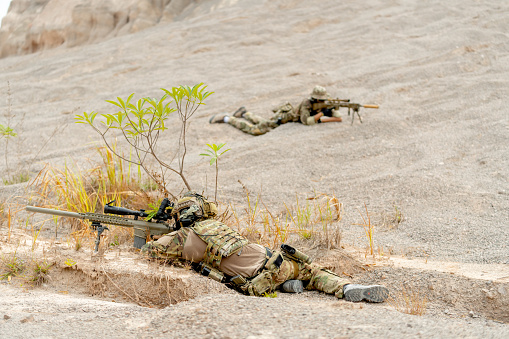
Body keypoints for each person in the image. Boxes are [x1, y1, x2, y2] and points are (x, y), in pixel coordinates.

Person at [141, 192, 389, 302]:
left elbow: (147, 253)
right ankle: (347, 288)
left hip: (256, 283)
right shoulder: (216, 226)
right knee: (312, 271)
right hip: (275, 262)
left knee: (291, 275)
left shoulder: (182, 237)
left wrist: (156, 237)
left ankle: (286, 287)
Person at [209, 86, 343, 136]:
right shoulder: (306, 104)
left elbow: (338, 116)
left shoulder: (325, 102)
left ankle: (244, 113)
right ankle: (228, 118)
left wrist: (332, 109)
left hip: (285, 121)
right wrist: (323, 114)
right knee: (256, 130)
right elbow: (307, 121)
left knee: (264, 122)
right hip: (283, 118)